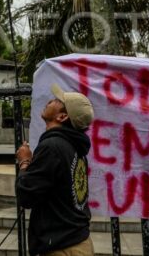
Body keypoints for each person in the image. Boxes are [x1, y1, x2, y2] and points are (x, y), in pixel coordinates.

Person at [15, 83, 95, 256]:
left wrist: (24, 162)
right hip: (78, 242)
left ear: (62, 116)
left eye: (58, 101)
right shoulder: (75, 146)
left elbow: (26, 195)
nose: (51, 101)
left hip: (61, 247)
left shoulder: (52, 147)